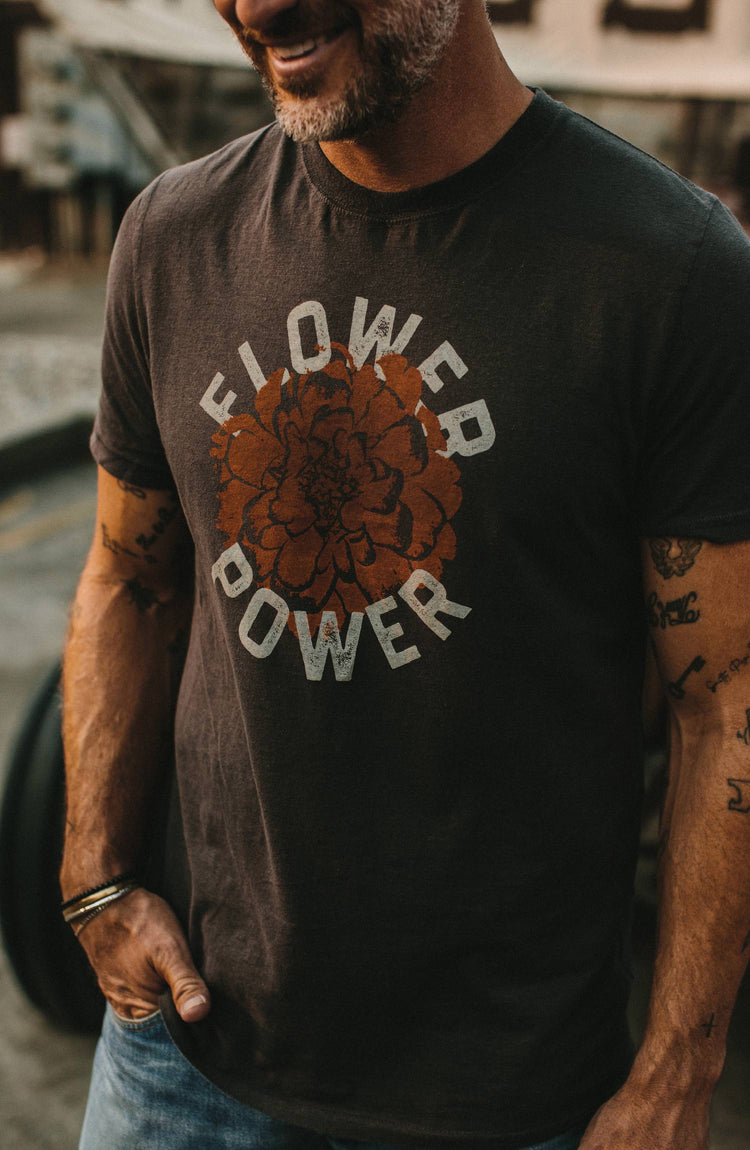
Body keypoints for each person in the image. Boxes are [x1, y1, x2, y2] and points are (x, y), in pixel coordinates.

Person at [60, 1, 750, 1148]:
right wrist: (93, 882)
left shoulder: (671, 274)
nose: (257, 7)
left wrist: (679, 1070)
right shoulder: (173, 237)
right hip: (181, 1064)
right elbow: (128, 579)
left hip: (508, 1104)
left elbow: (724, 697)